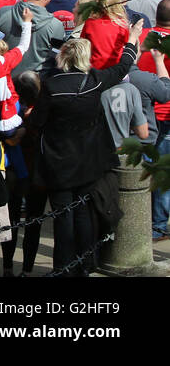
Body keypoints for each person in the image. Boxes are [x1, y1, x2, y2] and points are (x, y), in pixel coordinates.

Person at [35, 27, 139, 275]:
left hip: (59, 164)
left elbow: (37, 122)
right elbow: (123, 66)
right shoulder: (95, 81)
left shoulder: (51, 86)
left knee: (63, 219)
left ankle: (62, 267)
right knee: (83, 215)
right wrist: (132, 40)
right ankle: (84, 265)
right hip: (87, 164)